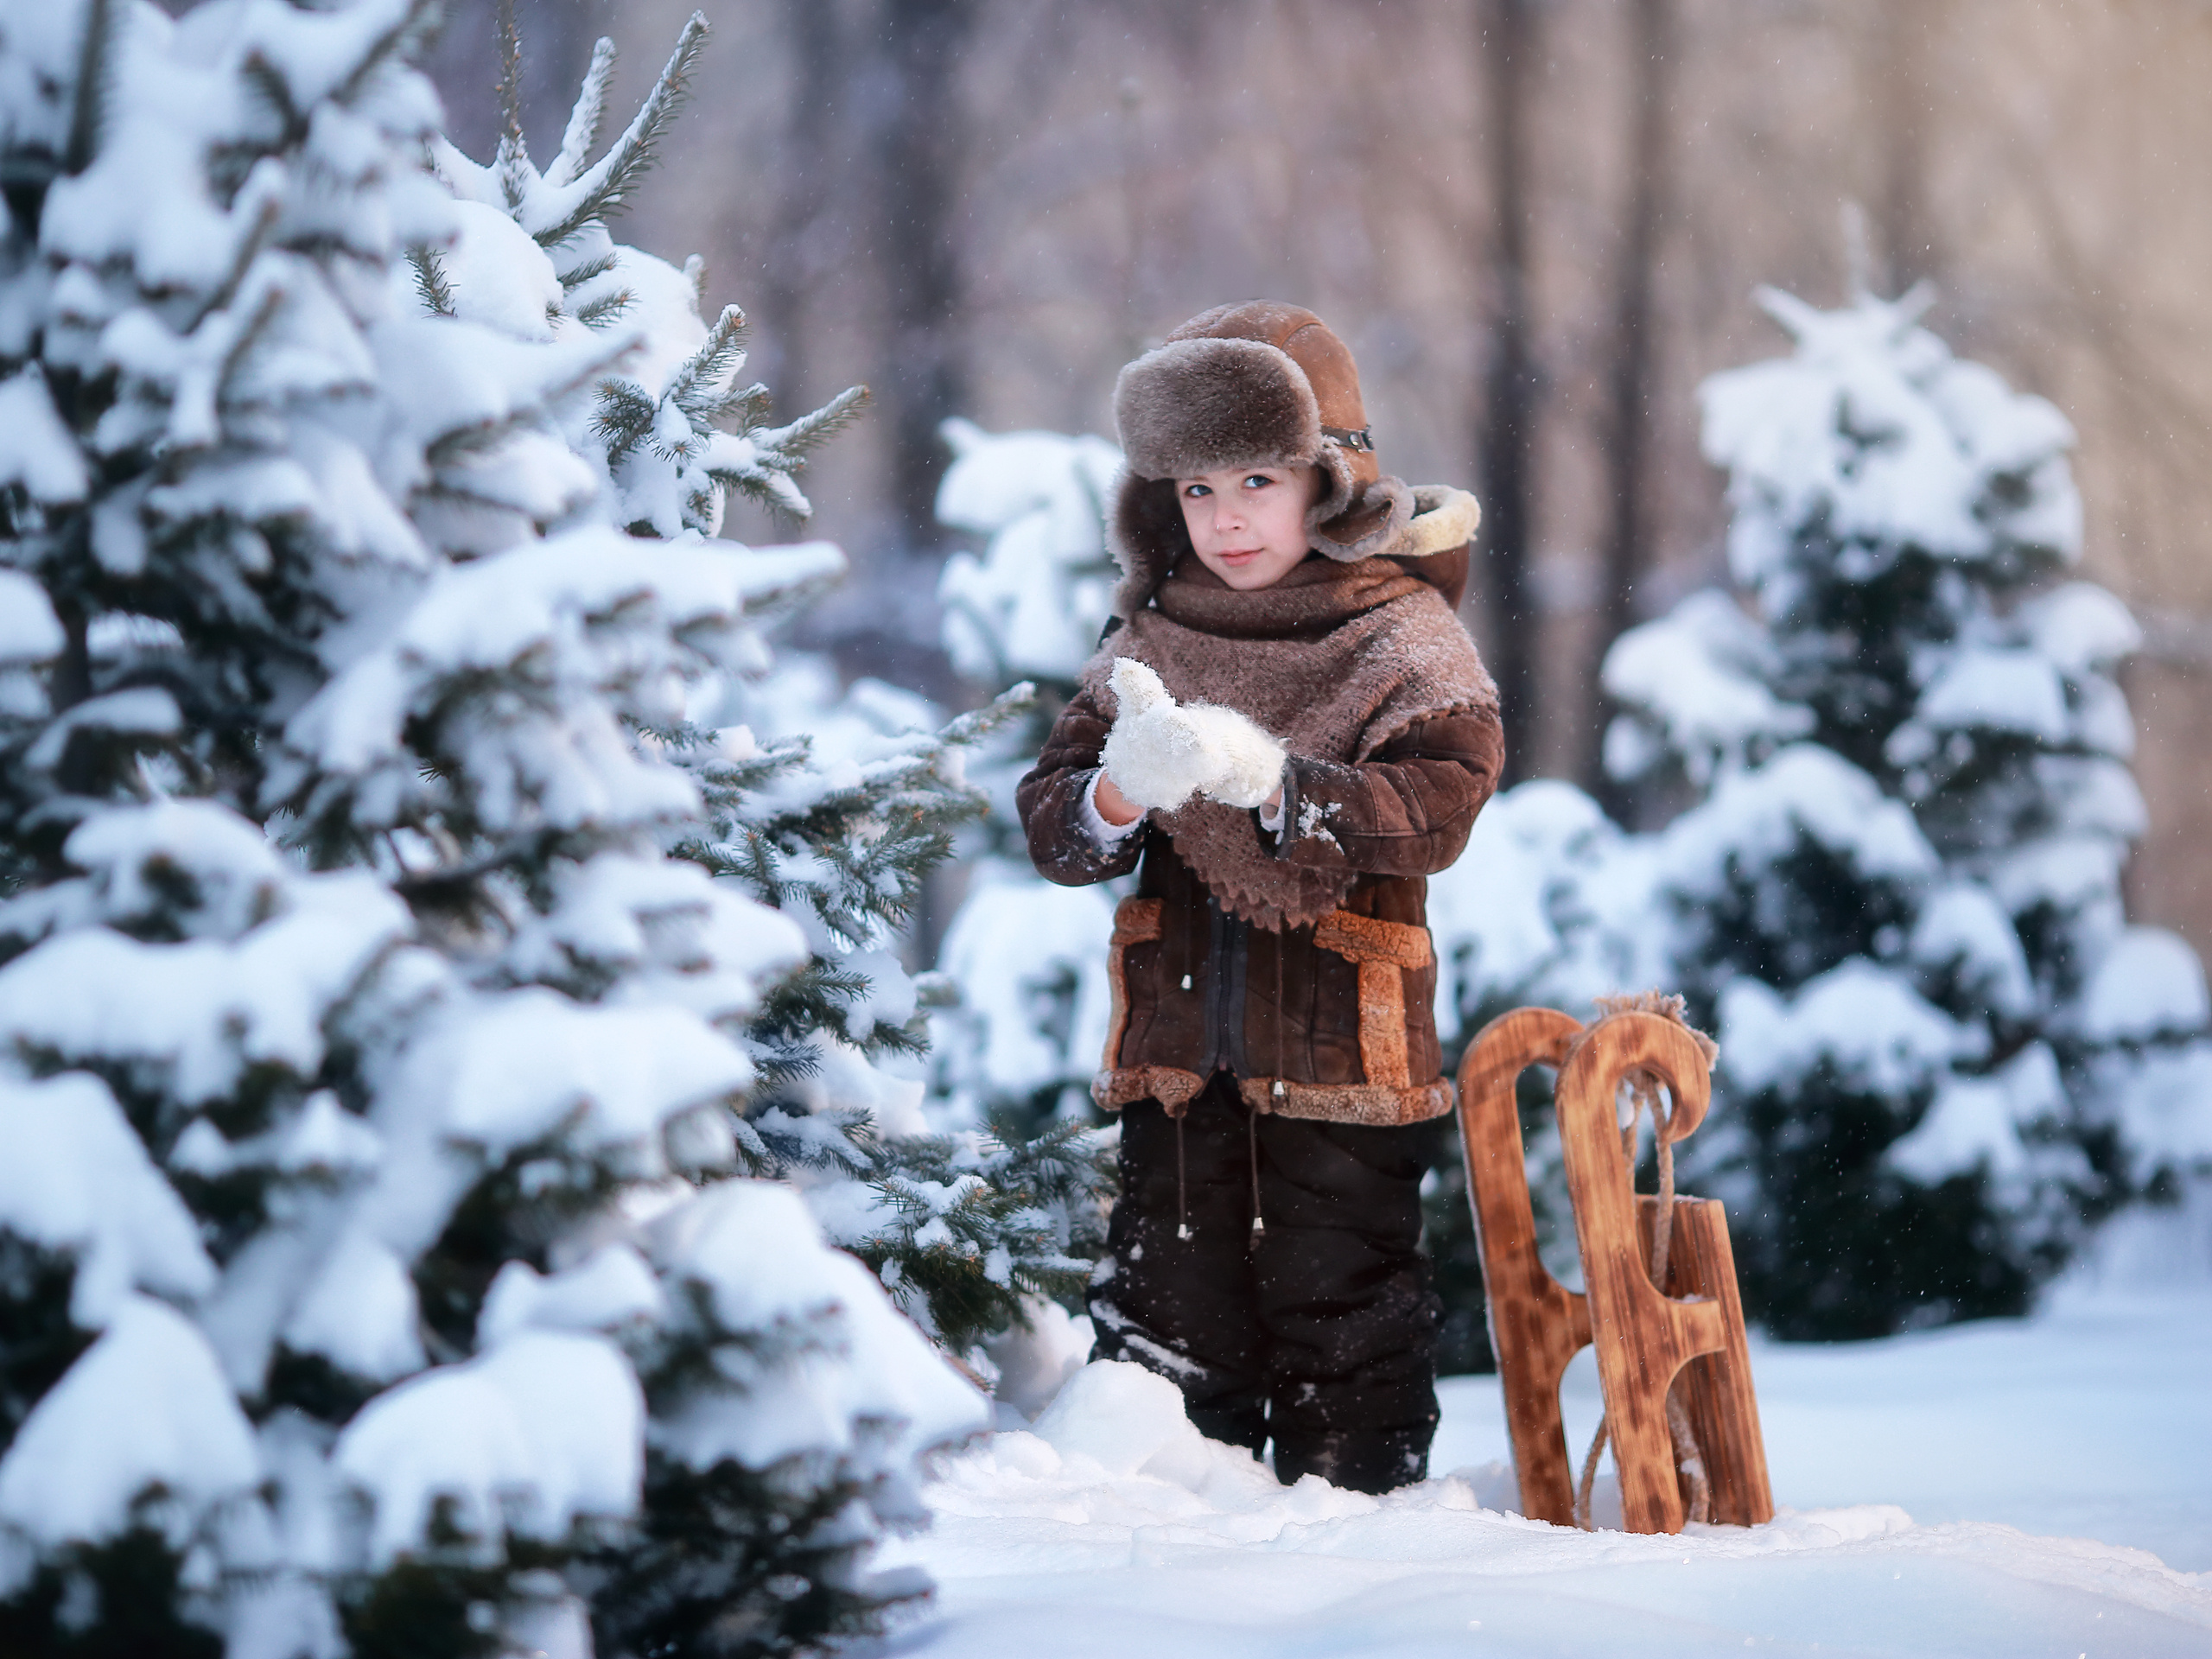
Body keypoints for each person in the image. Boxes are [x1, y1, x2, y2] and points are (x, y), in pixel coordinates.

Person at [1015, 302, 1503, 1494]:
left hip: (1346, 1051)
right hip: (1180, 1056)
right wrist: (1120, 795)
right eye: (1194, 490)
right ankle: (1178, 1571)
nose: (1226, 518)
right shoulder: (1152, 636)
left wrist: (1285, 787)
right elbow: (1055, 821)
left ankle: (1356, 1558)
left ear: (1330, 480)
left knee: (1346, 1314)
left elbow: (1444, 799)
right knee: (1164, 1320)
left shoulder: (1403, 633)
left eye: (1257, 479)